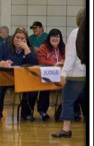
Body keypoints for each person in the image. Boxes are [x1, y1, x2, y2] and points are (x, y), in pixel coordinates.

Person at [0, 27, 38, 121]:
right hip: (4, 75)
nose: (19, 40)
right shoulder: (5, 46)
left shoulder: (28, 49)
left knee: (32, 86)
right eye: (17, 37)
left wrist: (27, 49)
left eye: (22, 38)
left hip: (21, 77)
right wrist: (2, 63)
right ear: (13, 38)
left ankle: (26, 113)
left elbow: (34, 64)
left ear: (26, 40)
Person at [52, 8, 86, 138]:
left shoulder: (76, 33)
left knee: (68, 101)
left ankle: (66, 129)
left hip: (76, 75)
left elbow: (71, 56)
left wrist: (63, 73)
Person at [36, 29, 65, 121]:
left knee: (70, 87)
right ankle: (42, 111)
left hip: (61, 74)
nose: (55, 38)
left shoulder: (63, 48)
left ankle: (64, 112)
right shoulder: (43, 47)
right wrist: (54, 64)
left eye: (57, 36)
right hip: (47, 74)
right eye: (53, 36)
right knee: (45, 88)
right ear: (49, 38)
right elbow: (41, 60)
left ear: (60, 38)